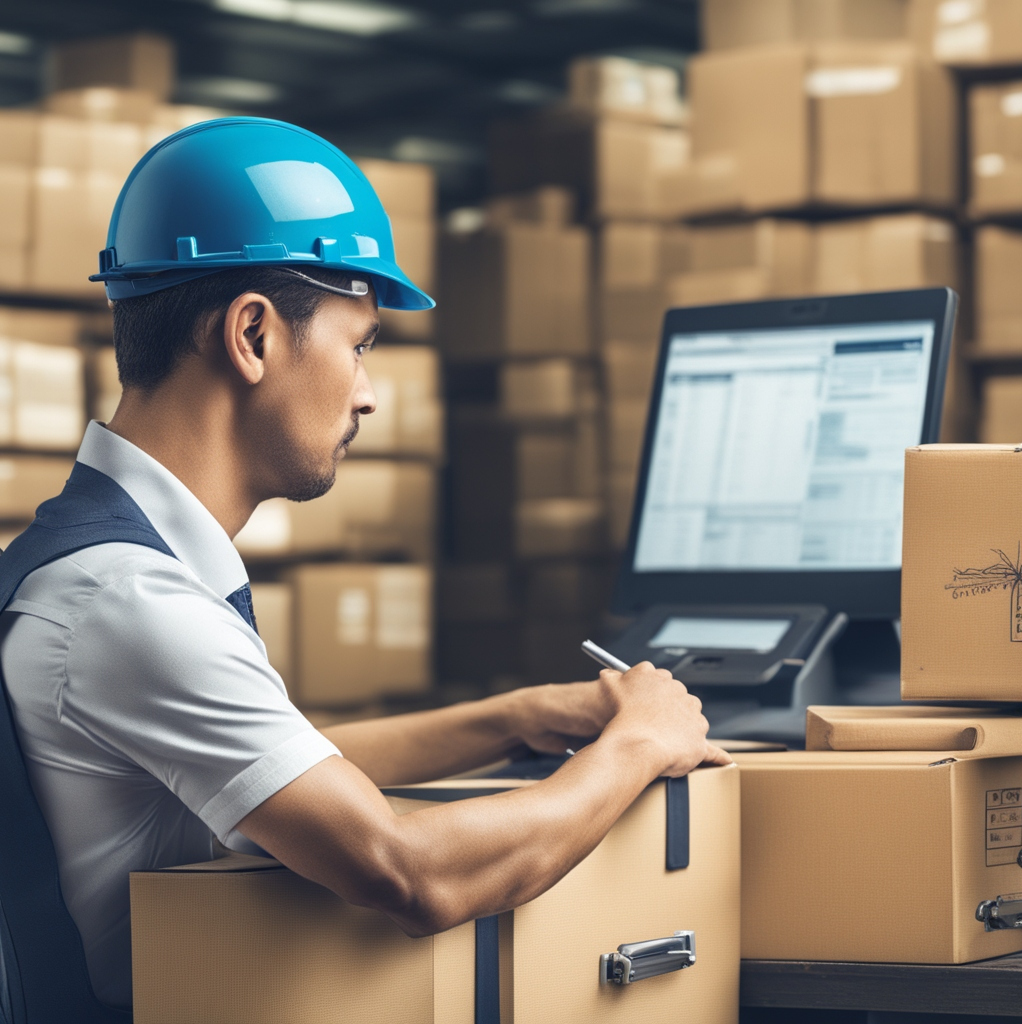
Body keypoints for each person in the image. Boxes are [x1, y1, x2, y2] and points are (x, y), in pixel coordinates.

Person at [0, 117, 729, 1012]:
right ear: (254, 336)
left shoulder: (114, 569)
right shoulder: (128, 601)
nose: (369, 394)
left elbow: (290, 764)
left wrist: (520, 717)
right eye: (360, 345)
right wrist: (637, 745)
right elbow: (409, 872)